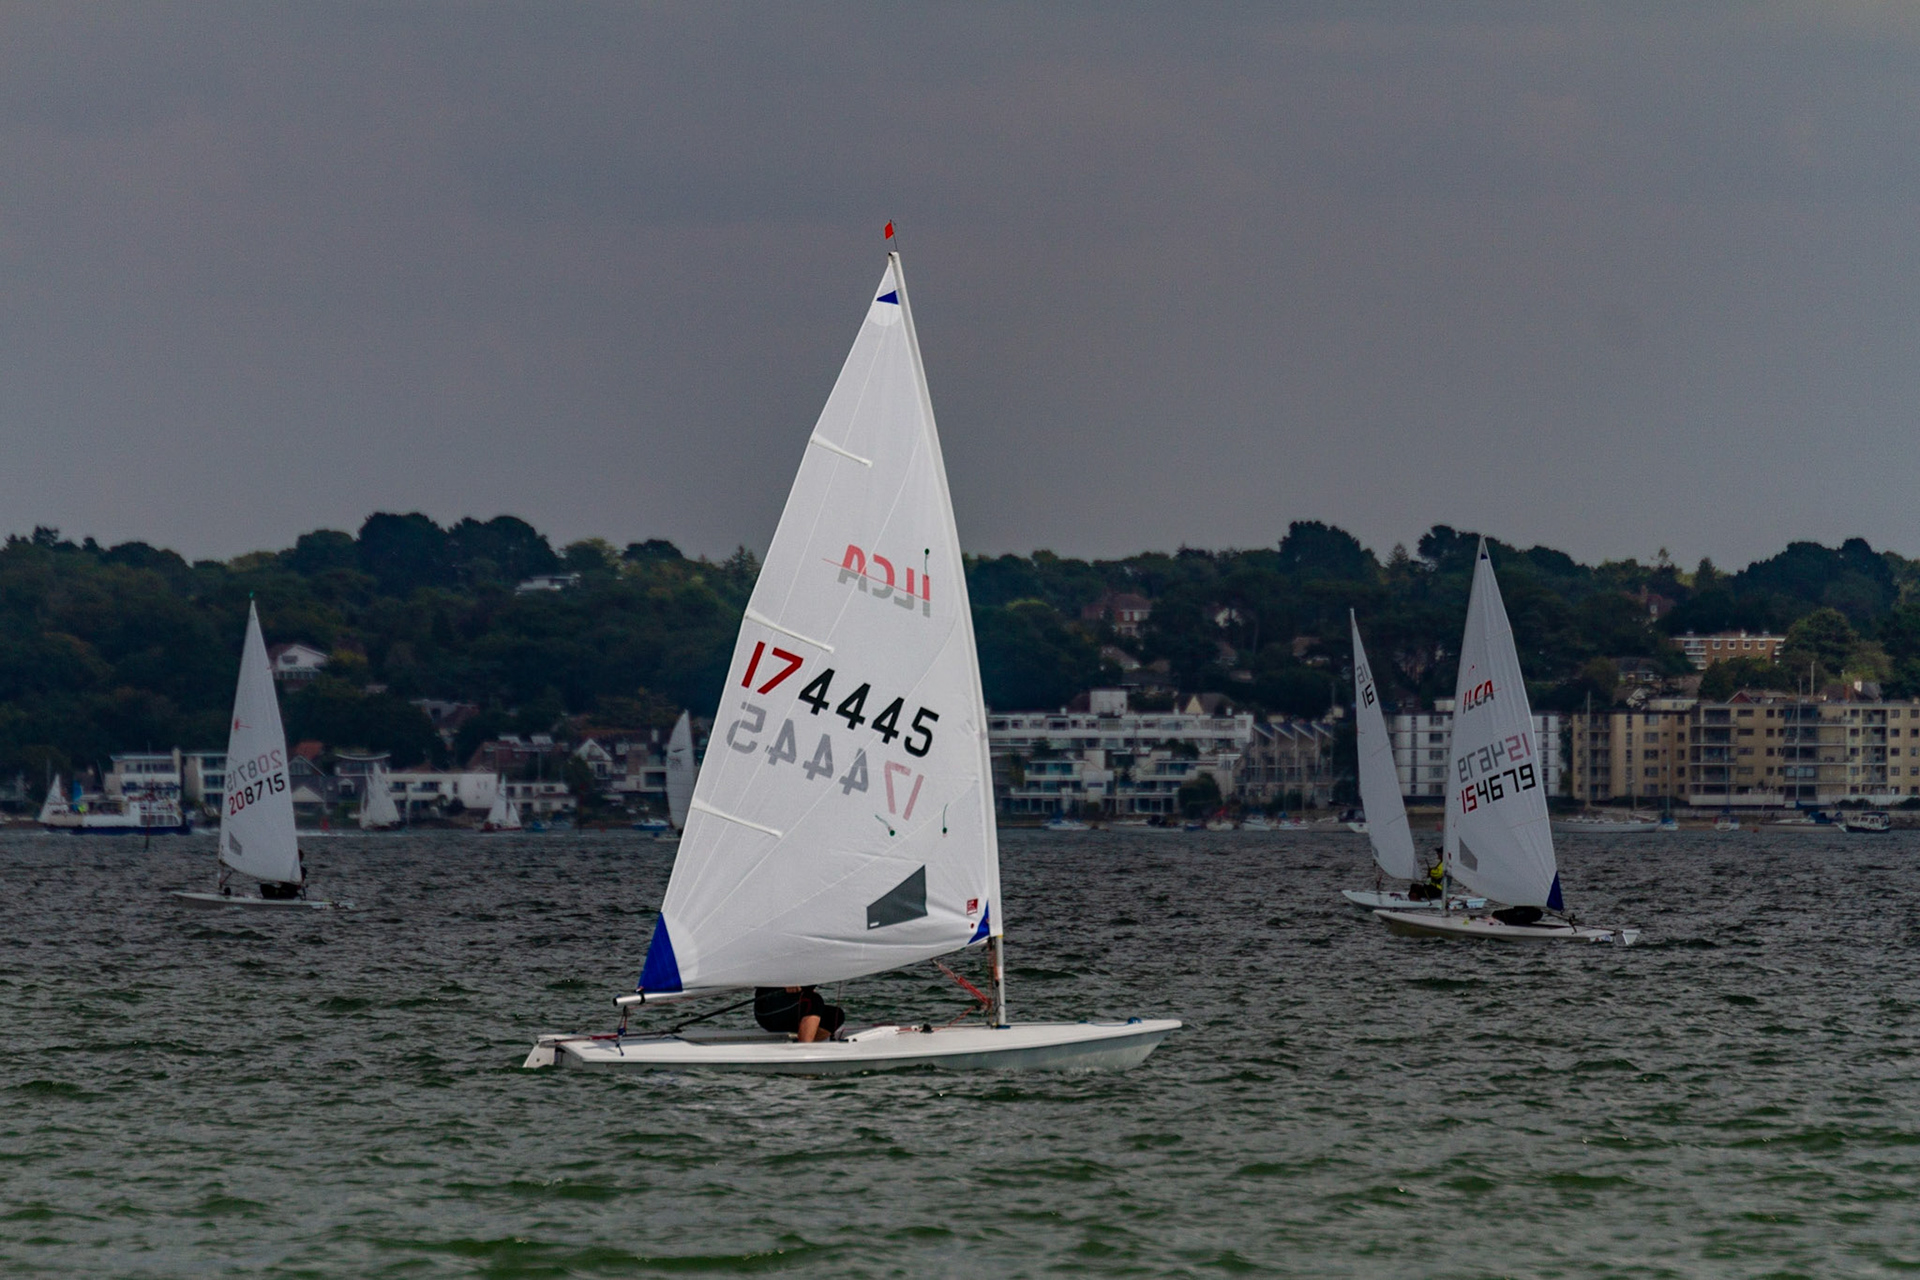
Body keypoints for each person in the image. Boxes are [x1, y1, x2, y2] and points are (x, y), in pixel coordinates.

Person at [754, 986, 845, 1043]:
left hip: (789, 1012)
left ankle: (802, 1042)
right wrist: (784, 982)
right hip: (767, 1011)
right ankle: (803, 1050)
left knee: (835, 1015)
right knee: (813, 1000)